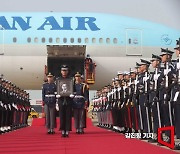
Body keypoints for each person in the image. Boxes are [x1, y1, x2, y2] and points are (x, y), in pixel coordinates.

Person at [56, 65, 73, 137]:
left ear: (67, 71)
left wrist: (72, 94)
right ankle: (63, 130)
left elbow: (73, 89)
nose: (64, 72)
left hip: (68, 100)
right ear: (61, 71)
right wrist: (57, 95)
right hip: (61, 100)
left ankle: (67, 131)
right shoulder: (58, 80)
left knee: (68, 116)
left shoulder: (71, 80)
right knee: (62, 116)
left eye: (65, 70)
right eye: (63, 70)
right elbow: (56, 89)